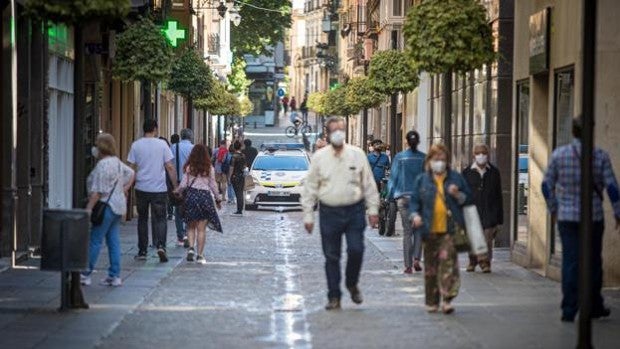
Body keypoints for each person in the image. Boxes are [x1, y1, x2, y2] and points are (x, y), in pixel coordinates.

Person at [542, 115, 620, 322]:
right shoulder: (600, 156)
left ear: (573, 132)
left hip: (567, 218)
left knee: (571, 262)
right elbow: (612, 187)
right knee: (593, 261)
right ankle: (594, 304)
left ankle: (569, 308)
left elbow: (545, 185)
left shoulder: (559, 155)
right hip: (593, 217)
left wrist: (554, 209)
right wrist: (618, 212)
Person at [301, 116, 380, 311]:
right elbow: (310, 187)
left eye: (341, 129)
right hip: (329, 212)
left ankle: (352, 283)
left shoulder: (357, 154)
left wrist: (373, 209)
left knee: (356, 250)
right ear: (327, 134)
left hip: (354, 210)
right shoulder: (320, 157)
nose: (338, 133)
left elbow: (368, 183)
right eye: (334, 129)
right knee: (332, 256)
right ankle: (334, 296)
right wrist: (308, 215)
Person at [410, 144, 472, 314]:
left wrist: (457, 194)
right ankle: (432, 301)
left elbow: (468, 199)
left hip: (449, 230)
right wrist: (415, 215)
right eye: (436, 159)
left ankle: (447, 299)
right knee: (430, 268)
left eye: (443, 160)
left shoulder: (456, 178)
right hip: (428, 230)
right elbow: (414, 202)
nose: (440, 162)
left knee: (448, 264)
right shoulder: (422, 180)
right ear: (429, 160)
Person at [82, 133, 135, 286]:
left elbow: (98, 191)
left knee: (95, 240)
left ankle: (85, 273)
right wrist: (124, 188)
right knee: (113, 241)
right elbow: (131, 173)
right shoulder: (117, 162)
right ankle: (115, 275)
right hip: (118, 206)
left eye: (97, 145)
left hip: (106, 206)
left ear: (101, 147)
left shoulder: (103, 165)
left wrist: (89, 208)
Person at [127, 119, 178, 263]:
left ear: (144, 129)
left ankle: (142, 251)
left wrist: (126, 185)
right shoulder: (162, 145)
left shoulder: (136, 145)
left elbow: (130, 167)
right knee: (160, 218)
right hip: (159, 189)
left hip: (141, 187)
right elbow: (170, 167)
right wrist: (175, 186)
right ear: (155, 129)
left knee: (142, 219)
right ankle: (161, 246)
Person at [176, 144, 223, 264]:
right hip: (204, 198)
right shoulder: (209, 168)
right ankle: (200, 255)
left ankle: (191, 248)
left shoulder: (189, 168)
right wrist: (218, 199)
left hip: (191, 197)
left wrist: (176, 191)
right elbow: (213, 185)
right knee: (201, 229)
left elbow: (183, 185)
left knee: (190, 226)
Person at [388, 130, 426, 274]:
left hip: (403, 198)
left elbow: (393, 178)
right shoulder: (424, 158)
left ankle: (408, 265)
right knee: (418, 230)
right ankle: (416, 258)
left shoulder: (400, 158)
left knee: (407, 232)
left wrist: (389, 195)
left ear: (406, 142)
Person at [462, 144, 503, 273]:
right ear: (474, 155)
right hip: (472, 210)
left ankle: (485, 263)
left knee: (487, 239)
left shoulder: (494, 172)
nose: (481, 156)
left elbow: (498, 195)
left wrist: (499, 219)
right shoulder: (467, 172)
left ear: (488, 155)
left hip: (489, 211)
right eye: (478, 153)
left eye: (484, 153)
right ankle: (472, 261)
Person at [171, 129, 195, 248]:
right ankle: (187, 233)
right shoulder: (194, 148)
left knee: (178, 209)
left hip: (178, 182)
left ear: (181, 136)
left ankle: (180, 236)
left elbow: (170, 165)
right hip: (191, 183)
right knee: (190, 208)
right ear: (190, 137)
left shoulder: (173, 147)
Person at [229, 141, 247, 216]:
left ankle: (239, 211)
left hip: (235, 176)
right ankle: (240, 209)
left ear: (234, 147)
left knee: (238, 193)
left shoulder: (234, 156)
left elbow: (231, 167)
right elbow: (245, 166)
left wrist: (230, 177)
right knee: (240, 193)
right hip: (241, 176)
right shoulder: (243, 155)